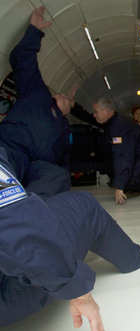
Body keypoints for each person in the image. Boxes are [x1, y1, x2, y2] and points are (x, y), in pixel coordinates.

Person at [0, 147, 140, 331]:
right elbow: (17, 228)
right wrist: (77, 289)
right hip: (8, 289)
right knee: (84, 204)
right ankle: (135, 258)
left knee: (51, 176)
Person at [0, 6, 72, 199]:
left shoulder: (65, 129)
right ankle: (9, 203)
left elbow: (64, 160)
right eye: (62, 95)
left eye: (68, 100)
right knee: (3, 176)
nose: (64, 96)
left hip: (37, 165)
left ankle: (29, 211)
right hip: (11, 148)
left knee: (60, 176)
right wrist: (35, 31)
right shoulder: (38, 93)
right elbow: (22, 60)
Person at [70, 97, 140, 204]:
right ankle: (127, 184)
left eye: (96, 112)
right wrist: (74, 107)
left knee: (127, 181)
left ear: (106, 112)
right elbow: (90, 119)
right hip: (133, 152)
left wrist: (119, 186)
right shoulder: (110, 119)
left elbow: (123, 157)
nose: (94, 115)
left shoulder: (118, 126)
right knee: (109, 166)